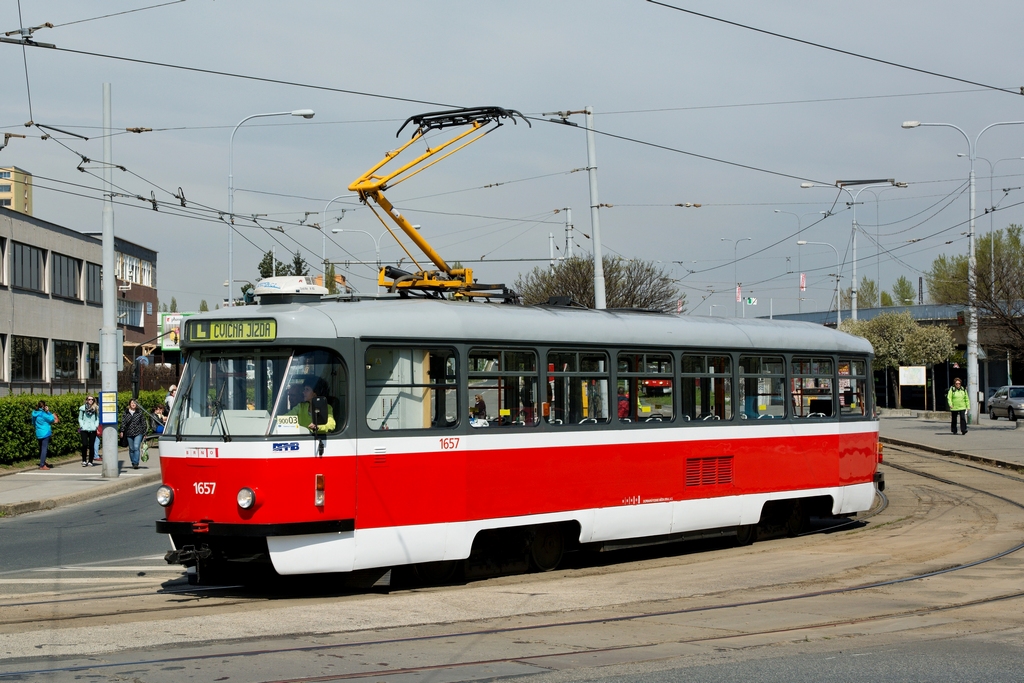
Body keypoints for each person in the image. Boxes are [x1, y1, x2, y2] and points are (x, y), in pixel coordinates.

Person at [119, 398, 148, 469]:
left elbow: (143, 423)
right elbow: (123, 422)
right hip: (129, 433)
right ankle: (133, 461)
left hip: (138, 432)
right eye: (132, 403)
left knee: (136, 447)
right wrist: (122, 431)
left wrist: (144, 433)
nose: (133, 404)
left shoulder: (139, 412)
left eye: (135, 403)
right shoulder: (126, 412)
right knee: (131, 449)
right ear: (129, 404)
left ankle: (136, 463)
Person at [32, 401, 59, 470]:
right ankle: (42, 465)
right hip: (45, 432)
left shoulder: (34, 413)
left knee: (41, 448)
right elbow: (51, 419)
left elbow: (33, 423)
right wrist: (48, 411)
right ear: (44, 406)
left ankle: (42, 461)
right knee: (44, 449)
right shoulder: (43, 414)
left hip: (38, 432)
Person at [77, 396, 99, 467]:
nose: (91, 400)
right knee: (84, 444)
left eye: (92, 399)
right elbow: (80, 418)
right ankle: (84, 460)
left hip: (93, 429)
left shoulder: (96, 408)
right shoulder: (82, 408)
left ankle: (90, 461)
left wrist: (96, 425)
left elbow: (97, 418)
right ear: (86, 400)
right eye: (89, 399)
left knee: (91, 445)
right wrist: (82, 425)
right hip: (84, 429)